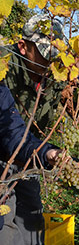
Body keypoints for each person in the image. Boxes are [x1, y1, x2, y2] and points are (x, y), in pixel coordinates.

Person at [0, 14, 67, 245]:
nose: (51, 62)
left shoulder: (55, 73)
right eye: (45, 54)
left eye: (55, 56)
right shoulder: (4, 66)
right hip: (5, 155)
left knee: (32, 217)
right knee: (5, 225)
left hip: (30, 153)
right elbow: (9, 130)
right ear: (23, 46)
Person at [0, 83, 60, 243]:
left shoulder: (0, 90)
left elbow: (12, 132)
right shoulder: (10, 70)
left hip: (20, 158)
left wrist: (46, 152)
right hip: (9, 161)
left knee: (10, 230)